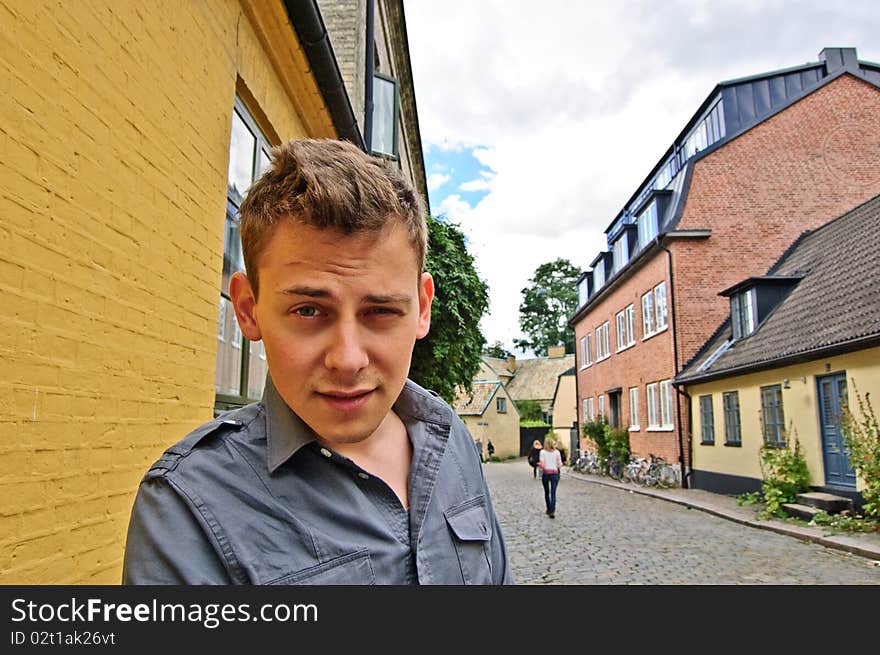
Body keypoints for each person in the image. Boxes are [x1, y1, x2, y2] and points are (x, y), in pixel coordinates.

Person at [122, 138, 511, 585]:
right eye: (308, 311)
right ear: (248, 309)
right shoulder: (186, 506)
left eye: (381, 311)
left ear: (422, 308)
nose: (348, 359)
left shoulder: (452, 441)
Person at [538, 436, 563, 518]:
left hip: (546, 473)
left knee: (546, 492)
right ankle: (552, 510)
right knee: (553, 493)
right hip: (555, 474)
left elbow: (542, 464)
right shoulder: (557, 453)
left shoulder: (542, 452)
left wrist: (539, 465)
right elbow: (560, 464)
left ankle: (548, 508)